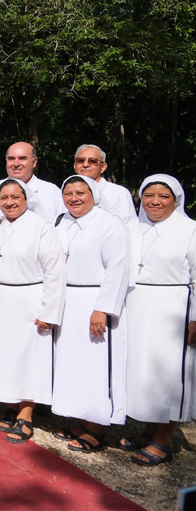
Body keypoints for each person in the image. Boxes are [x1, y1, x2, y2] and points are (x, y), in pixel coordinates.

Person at [0, 179, 66, 443]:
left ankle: (26, 415)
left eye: (16, 196)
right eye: (4, 197)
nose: (10, 202)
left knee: (27, 358)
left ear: (27, 199)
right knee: (2, 355)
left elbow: (55, 272)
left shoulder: (42, 228)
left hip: (28, 298)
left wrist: (50, 312)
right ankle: (8, 404)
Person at [52, 175, 131, 452]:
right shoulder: (62, 222)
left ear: (94, 194)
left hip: (94, 301)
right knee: (72, 362)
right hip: (67, 299)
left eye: (80, 192)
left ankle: (97, 427)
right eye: (68, 192)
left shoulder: (109, 223)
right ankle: (81, 417)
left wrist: (102, 308)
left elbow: (118, 268)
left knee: (96, 365)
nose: (74, 198)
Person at [122, 175, 196, 466]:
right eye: (148, 195)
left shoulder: (190, 230)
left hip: (172, 308)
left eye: (163, 196)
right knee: (142, 372)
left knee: (168, 373)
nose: (154, 201)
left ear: (176, 200)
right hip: (135, 305)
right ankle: (149, 430)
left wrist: (195, 318)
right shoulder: (131, 227)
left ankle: (164, 439)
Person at [0, 142, 64, 223]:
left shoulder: (52, 192)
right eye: (11, 159)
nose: (16, 164)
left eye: (22, 158)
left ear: (34, 162)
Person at [73, 144, 136, 226]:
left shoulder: (119, 193)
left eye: (92, 161)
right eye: (80, 160)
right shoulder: (66, 194)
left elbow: (129, 227)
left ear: (103, 167)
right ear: (75, 166)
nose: (85, 165)